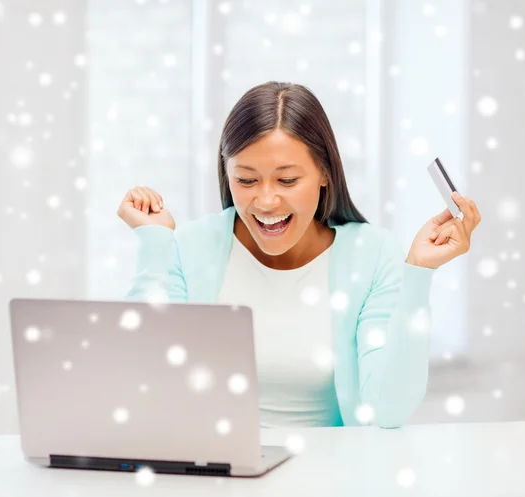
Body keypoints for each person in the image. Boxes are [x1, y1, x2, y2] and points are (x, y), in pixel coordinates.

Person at [117, 81, 481, 429]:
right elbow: (142, 381)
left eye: (287, 180)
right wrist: (155, 243)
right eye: (245, 180)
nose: (265, 201)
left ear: (324, 173)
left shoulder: (372, 254)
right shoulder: (190, 246)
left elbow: (388, 409)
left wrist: (418, 275)